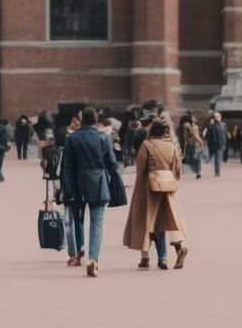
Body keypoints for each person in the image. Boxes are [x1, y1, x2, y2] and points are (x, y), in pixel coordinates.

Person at [123, 118, 189, 270]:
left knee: (148, 222)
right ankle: (175, 249)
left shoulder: (147, 145)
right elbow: (178, 170)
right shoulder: (172, 145)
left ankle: (148, 257)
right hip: (169, 188)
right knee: (169, 221)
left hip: (150, 189)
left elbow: (140, 170)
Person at [61, 109, 120, 276]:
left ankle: (77, 251)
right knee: (97, 221)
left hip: (78, 184)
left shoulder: (72, 138)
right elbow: (112, 163)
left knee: (77, 220)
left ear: (82, 120)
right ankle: (93, 259)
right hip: (98, 182)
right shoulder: (103, 137)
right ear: (95, 120)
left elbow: (67, 166)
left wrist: (68, 188)